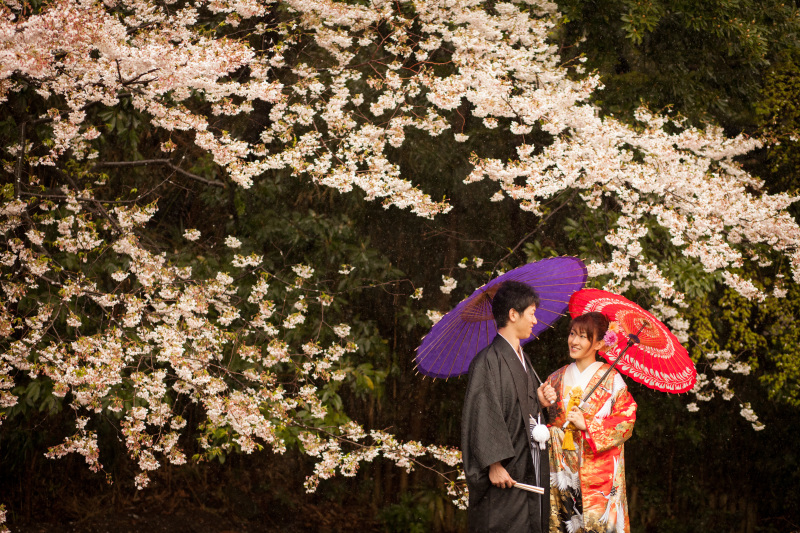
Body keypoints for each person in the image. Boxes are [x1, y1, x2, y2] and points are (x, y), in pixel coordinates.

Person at [461, 280, 558, 532]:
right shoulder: (486, 361)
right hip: (506, 472)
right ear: (513, 314)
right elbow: (482, 413)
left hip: (529, 464)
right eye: (532, 314)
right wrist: (493, 463)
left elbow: (520, 408)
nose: (535, 321)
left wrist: (540, 401)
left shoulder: (523, 358)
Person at [545, 312, 637, 533]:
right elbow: (544, 423)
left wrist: (588, 426)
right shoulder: (555, 378)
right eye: (572, 334)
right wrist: (541, 402)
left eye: (583, 337)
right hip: (561, 469)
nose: (574, 341)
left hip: (599, 472)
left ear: (598, 343)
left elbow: (626, 422)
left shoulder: (612, 379)